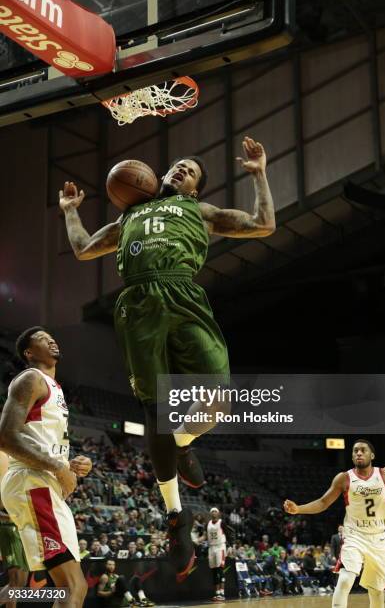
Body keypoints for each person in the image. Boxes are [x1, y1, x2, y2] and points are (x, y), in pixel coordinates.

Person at [59, 136, 276, 582]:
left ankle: (181, 445)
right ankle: (176, 517)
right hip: (138, 303)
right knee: (154, 409)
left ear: (195, 189)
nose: (179, 170)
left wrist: (259, 175)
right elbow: (83, 248)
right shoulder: (130, 214)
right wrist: (69, 211)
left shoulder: (201, 212)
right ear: (155, 178)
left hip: (182, 293)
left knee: (219, 397)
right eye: (175, 165)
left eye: (189, 171)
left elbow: (263, 223)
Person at [0, 327, 93, 608]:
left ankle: (8, 595)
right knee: (72, 587)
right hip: (32, 483)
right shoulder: (31, 378)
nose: (51, 339)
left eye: (51, 336)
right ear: (29, 353)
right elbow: (5, 437)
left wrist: (71, 463)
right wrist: (58, 467)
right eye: (42, 338)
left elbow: (40, 440)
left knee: (70, 589)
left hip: (43, 483)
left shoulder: (56, 389)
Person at [284, 439, 385, 608]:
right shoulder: (344, 478)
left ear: (372, 455)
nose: (358, 453)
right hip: (354, 535)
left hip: (378, 537)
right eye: (355, 450)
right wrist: (298, 509)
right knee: (345, 579)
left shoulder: (384, 475)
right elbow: (323, 502)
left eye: (363, 450)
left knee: (377, 590)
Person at [0, 450, 28, 608]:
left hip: (23, 526)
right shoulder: (3, 456)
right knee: (15, 581)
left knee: (21, 583)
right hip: (8, 526)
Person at [207, 507, 230, 601]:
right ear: (210, 514)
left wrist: (230, 545)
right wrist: (197, 540)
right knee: (214, 571)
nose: (213, 513)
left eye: (215, 511)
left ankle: (222, 593)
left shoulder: (222, 522)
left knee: (220, 569)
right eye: (212, 511)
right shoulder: (207, 524)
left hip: (220, 547)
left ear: (218, 513)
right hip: (211, 547)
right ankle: (216, 593)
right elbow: (205, 535)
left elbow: (228, 533)